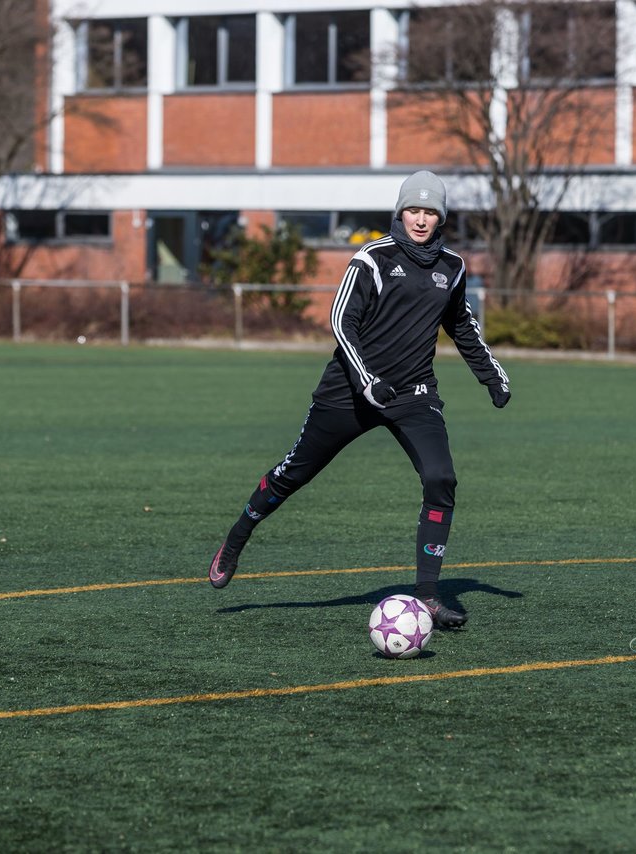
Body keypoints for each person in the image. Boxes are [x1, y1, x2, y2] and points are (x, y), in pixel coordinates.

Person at [207, 170, 511, 629]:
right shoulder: (372, 258)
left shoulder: (452, 267)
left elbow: (462, 327)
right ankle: (239, 532)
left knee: (440, 477)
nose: (421, 220)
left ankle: (427, 595)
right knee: (294, 473)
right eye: (414, 210)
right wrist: (368, 380)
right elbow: (340, 322)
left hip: (413, 393)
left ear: (441, 217)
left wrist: (493, 377)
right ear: (400, 212)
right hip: (350, 392)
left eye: (430, 212)